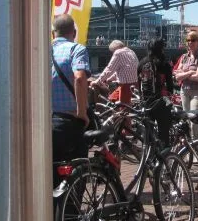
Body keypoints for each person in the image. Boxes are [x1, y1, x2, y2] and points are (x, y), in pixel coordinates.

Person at [51, 14, 91, 162]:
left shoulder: (41, 51)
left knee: (51, 169)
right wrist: (82, 113)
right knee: (77, 168)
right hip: (70, 120)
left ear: (53, 34)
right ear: (74, 33)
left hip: (45, 122)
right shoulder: (76, 49)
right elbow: (79, 78)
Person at [138, 38, 177, 146]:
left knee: (148, 133)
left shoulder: (142, 63)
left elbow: (138, 84)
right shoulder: (164, 64)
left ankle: (149, 153)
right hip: (161, 101)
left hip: (146, 102)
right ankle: (164, 153)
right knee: (163, 132)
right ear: (161, 49)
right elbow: (170, 86)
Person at [92, 40, 138, 104]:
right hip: (135, 84)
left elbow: (109, 69)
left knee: (122, 107)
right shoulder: (131, 52)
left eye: (112, 51)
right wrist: (109, 79)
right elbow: (123, 70)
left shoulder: (118, 52)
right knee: (111, 100)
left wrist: (98, 81)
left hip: (125, 85)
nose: (113, 53)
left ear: (115, 49)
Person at [174, 30, 198, 112]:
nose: (190, 42)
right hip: (184, 91)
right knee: (186, 116)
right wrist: (190, 72)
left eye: (193, 40)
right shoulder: (184, 57)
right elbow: (177, 77)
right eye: (188, 40)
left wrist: (183, 74)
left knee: (194, 117)